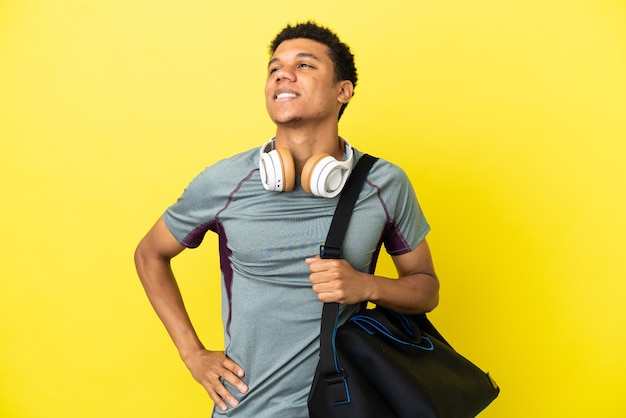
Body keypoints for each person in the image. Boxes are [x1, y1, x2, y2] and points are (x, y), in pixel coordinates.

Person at [134, 21, 439, 418]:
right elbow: (149, 254)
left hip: (345, 408)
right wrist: (191, 354)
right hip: (248, 410)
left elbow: (426, 289)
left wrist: (365, 285)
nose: (282, 74)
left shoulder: (384, 183)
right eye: (274, 67)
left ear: (343, 91)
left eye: (305, 65)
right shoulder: (225, 182)